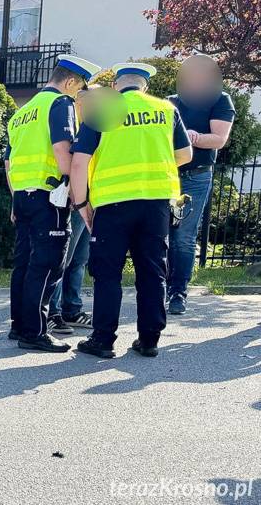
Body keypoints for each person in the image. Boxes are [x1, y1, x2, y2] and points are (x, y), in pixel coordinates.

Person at [71, 63, 193, 359]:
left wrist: (81, 204)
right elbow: (185, 154)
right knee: (152, 271)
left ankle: (103, 340)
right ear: (145, 87)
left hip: (112, 204)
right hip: (156, 203)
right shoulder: (165, 110)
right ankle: (149, 339)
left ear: (115, 86)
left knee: (108, 273)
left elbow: (79, 162)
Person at [5, 54, 101, 353]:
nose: (80, 95)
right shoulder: (60, 104)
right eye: (80, 87)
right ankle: (35, 332)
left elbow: (9, 161)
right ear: (71, 81)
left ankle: (19, 325)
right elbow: (63, 153)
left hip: (22, 196)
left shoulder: (23, 111)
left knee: (23, 264)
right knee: (47, 265)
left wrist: (15, 199)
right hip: (49, 197)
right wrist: (78, 196)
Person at [166, 55, 235, 315]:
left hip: (196, 176)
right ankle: (161, 286)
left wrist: (193, 138)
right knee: (163, 234)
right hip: (168, 175)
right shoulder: (171, 102)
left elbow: (218, 139)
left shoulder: (220, 100)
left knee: (183, 237)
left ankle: (178, 293)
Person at [47, 86, 103, 332]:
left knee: (79, 259)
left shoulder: (97, 125)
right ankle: (55, 310)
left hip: (91, 198)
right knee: (65, 258)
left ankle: (72, 308)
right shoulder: (75, 125)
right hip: (75, 200)